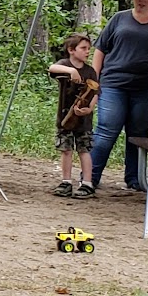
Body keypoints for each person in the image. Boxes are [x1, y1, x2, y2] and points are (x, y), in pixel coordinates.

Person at [80, 0, 148, 198]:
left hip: (146, 88)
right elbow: (101, 49)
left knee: (138, 134)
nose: (142, 0)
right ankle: (89, 178)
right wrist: (94, 83)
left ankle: (134, 179)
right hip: (114, 83)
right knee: (106, 130)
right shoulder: (119, 19)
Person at [47, 31, 98, 197]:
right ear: (71, 50)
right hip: (65, 117)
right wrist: (71, 71)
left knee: (84, 150)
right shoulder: (64, 64)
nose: (87, 51)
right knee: (66, 149)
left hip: (83, 120)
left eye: (88, 48)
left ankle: (87, 183)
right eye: (83, 48)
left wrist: (89, 108)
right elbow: (52, 68)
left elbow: (96, 91)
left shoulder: (90, 71)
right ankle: (66, 181)